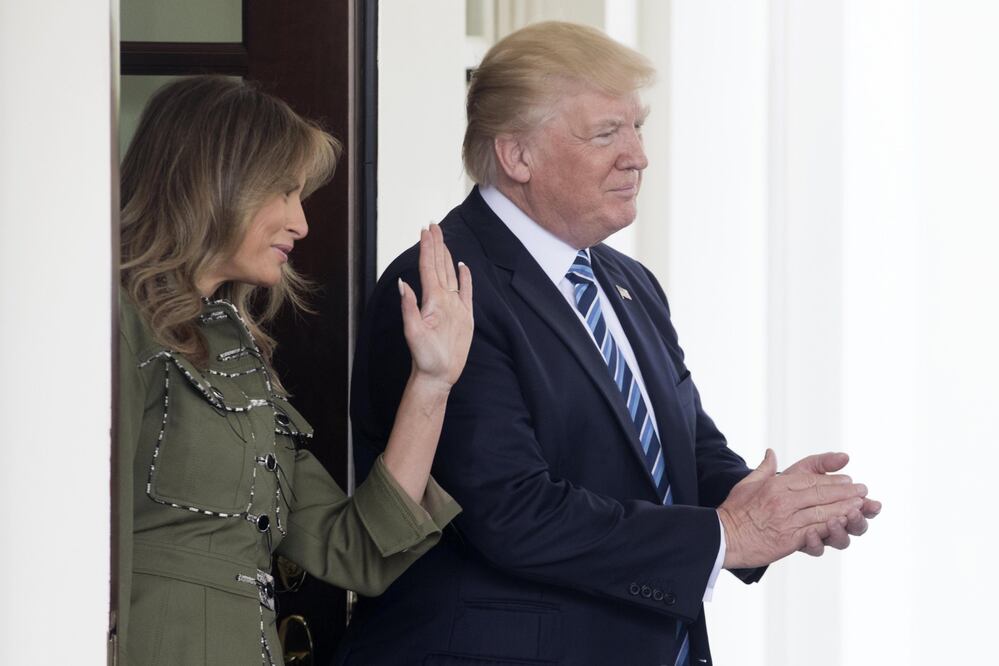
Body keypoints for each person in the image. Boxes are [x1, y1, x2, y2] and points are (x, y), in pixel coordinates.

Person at [339, 22, 879, 666]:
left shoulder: (627, 281)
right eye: (606, 133)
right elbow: (511, 513)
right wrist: (725, 535)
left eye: (638, 127)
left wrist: (770, 505)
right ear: (517, 156)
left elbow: (683, 449)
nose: (639, 155)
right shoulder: (442, 287)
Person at [115, 76, 473, 666]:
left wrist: (433, 381)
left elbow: (357, 552)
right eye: (283, 192)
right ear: (213, 180)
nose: (301, 223)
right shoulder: (119, 326)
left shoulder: (237, 359)